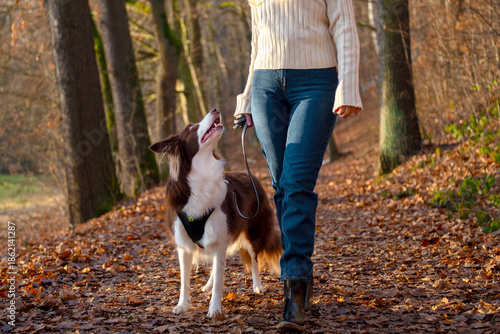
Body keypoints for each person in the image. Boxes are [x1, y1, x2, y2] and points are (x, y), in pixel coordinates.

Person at [234, 0, 363, 331]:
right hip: (266, 88)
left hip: (316, 83)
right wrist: (247, 98)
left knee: (296, 183)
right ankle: (296, 276)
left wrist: (348, 85)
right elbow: (257, 40)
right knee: (281, 185)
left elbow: (345, 26)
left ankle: (296, 282)